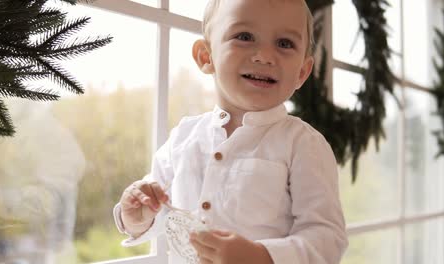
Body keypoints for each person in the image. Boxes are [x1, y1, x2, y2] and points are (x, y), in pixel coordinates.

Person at [114, 0, 348, 263]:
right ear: (206, 56)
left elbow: (327, 238)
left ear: (302, 73)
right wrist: (135, 218)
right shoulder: (183, 136)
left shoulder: (304, 145)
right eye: (245, 37)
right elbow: (159, 208)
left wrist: (262, 256)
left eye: (284, 43)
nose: (265, 56)